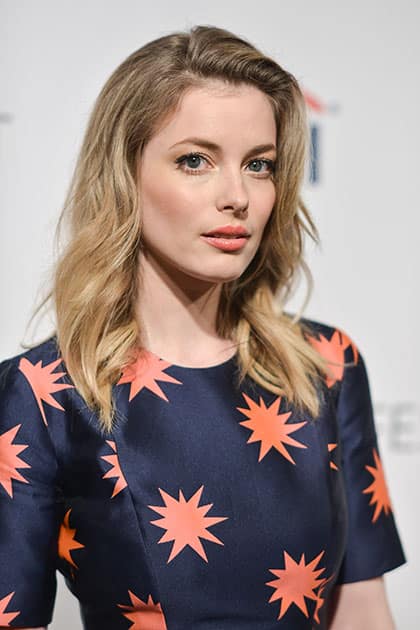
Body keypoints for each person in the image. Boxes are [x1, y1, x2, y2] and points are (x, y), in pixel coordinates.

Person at [0, 24, 406, 630]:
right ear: (124, 175)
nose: (237, 196)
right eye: (195, 160)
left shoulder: (326, 363)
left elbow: (364, 613)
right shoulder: (44, 394)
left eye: (259, 164)